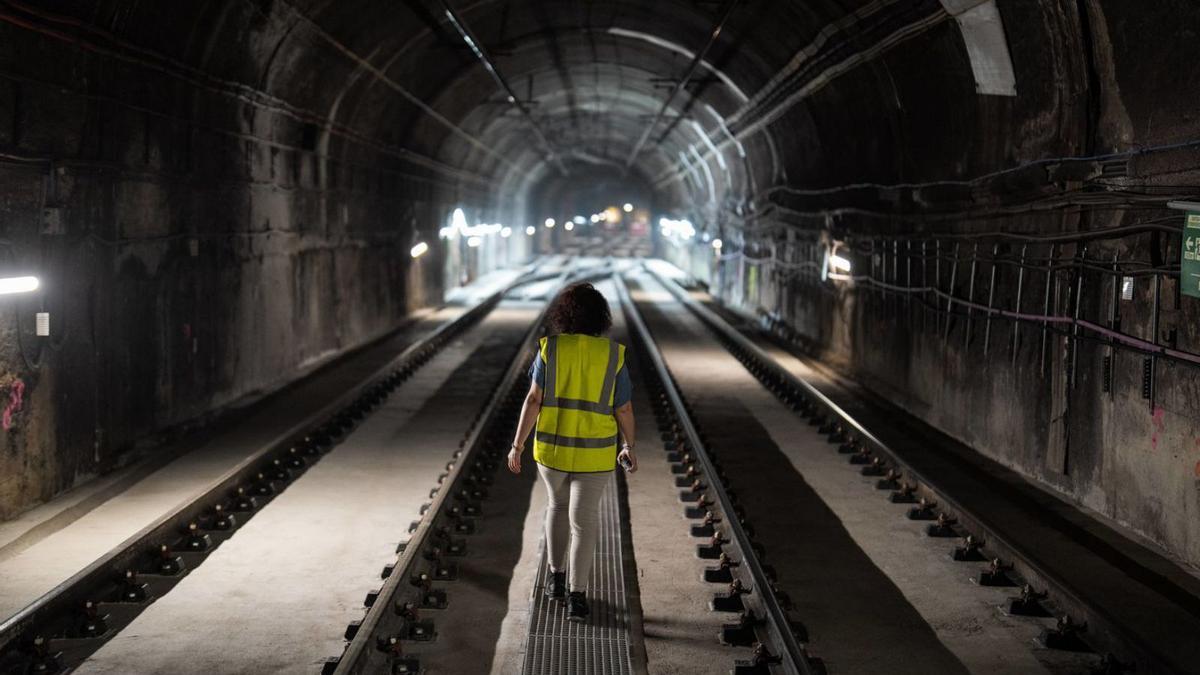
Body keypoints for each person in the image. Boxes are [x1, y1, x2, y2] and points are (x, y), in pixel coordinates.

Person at [507, 282, 637, 622]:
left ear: (563, 315)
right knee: (585, 522)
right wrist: (628, 445)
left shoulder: (551, 349)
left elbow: (534, 399)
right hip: (595, 455)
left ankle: (556, 578)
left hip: (552, 452)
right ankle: (577, 597)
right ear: (601, 318)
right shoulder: (612, 354)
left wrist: (517, 444)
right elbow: (623, 408)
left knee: (557, 506)